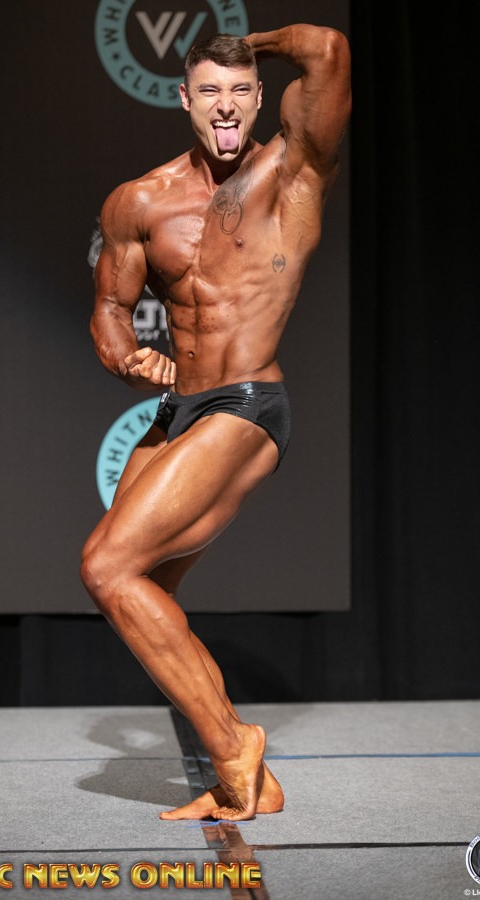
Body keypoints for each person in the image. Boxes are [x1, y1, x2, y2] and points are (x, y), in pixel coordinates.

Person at [81, 24, 351, 822]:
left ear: (260, 97)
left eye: (239, 90)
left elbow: (329, 50)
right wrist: (127, 358)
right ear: (185, 99)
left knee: (105, 567)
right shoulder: (139, 201)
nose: (225, 105)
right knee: (141, 593)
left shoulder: (293, 171)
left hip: (248, 403)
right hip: (179, 409)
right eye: (209, 91)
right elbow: (110, 310)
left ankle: (234, 745)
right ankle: (250, 780)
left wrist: (249, 42)